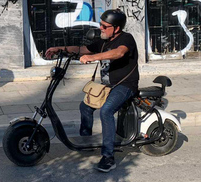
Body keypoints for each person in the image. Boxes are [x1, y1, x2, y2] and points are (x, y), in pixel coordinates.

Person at [45, 9, 139, 173]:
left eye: (104, 26)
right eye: (100, 25)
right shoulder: (103, 41)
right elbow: (82, 49)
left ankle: (109, 158)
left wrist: (93, 57)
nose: (101, 28)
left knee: (106, 111)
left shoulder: (126, 39)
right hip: (107, 87)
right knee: (85, 107)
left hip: (124, 86)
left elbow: (119, 53)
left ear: (116, 28)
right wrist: (59, 48)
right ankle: (86, 141)